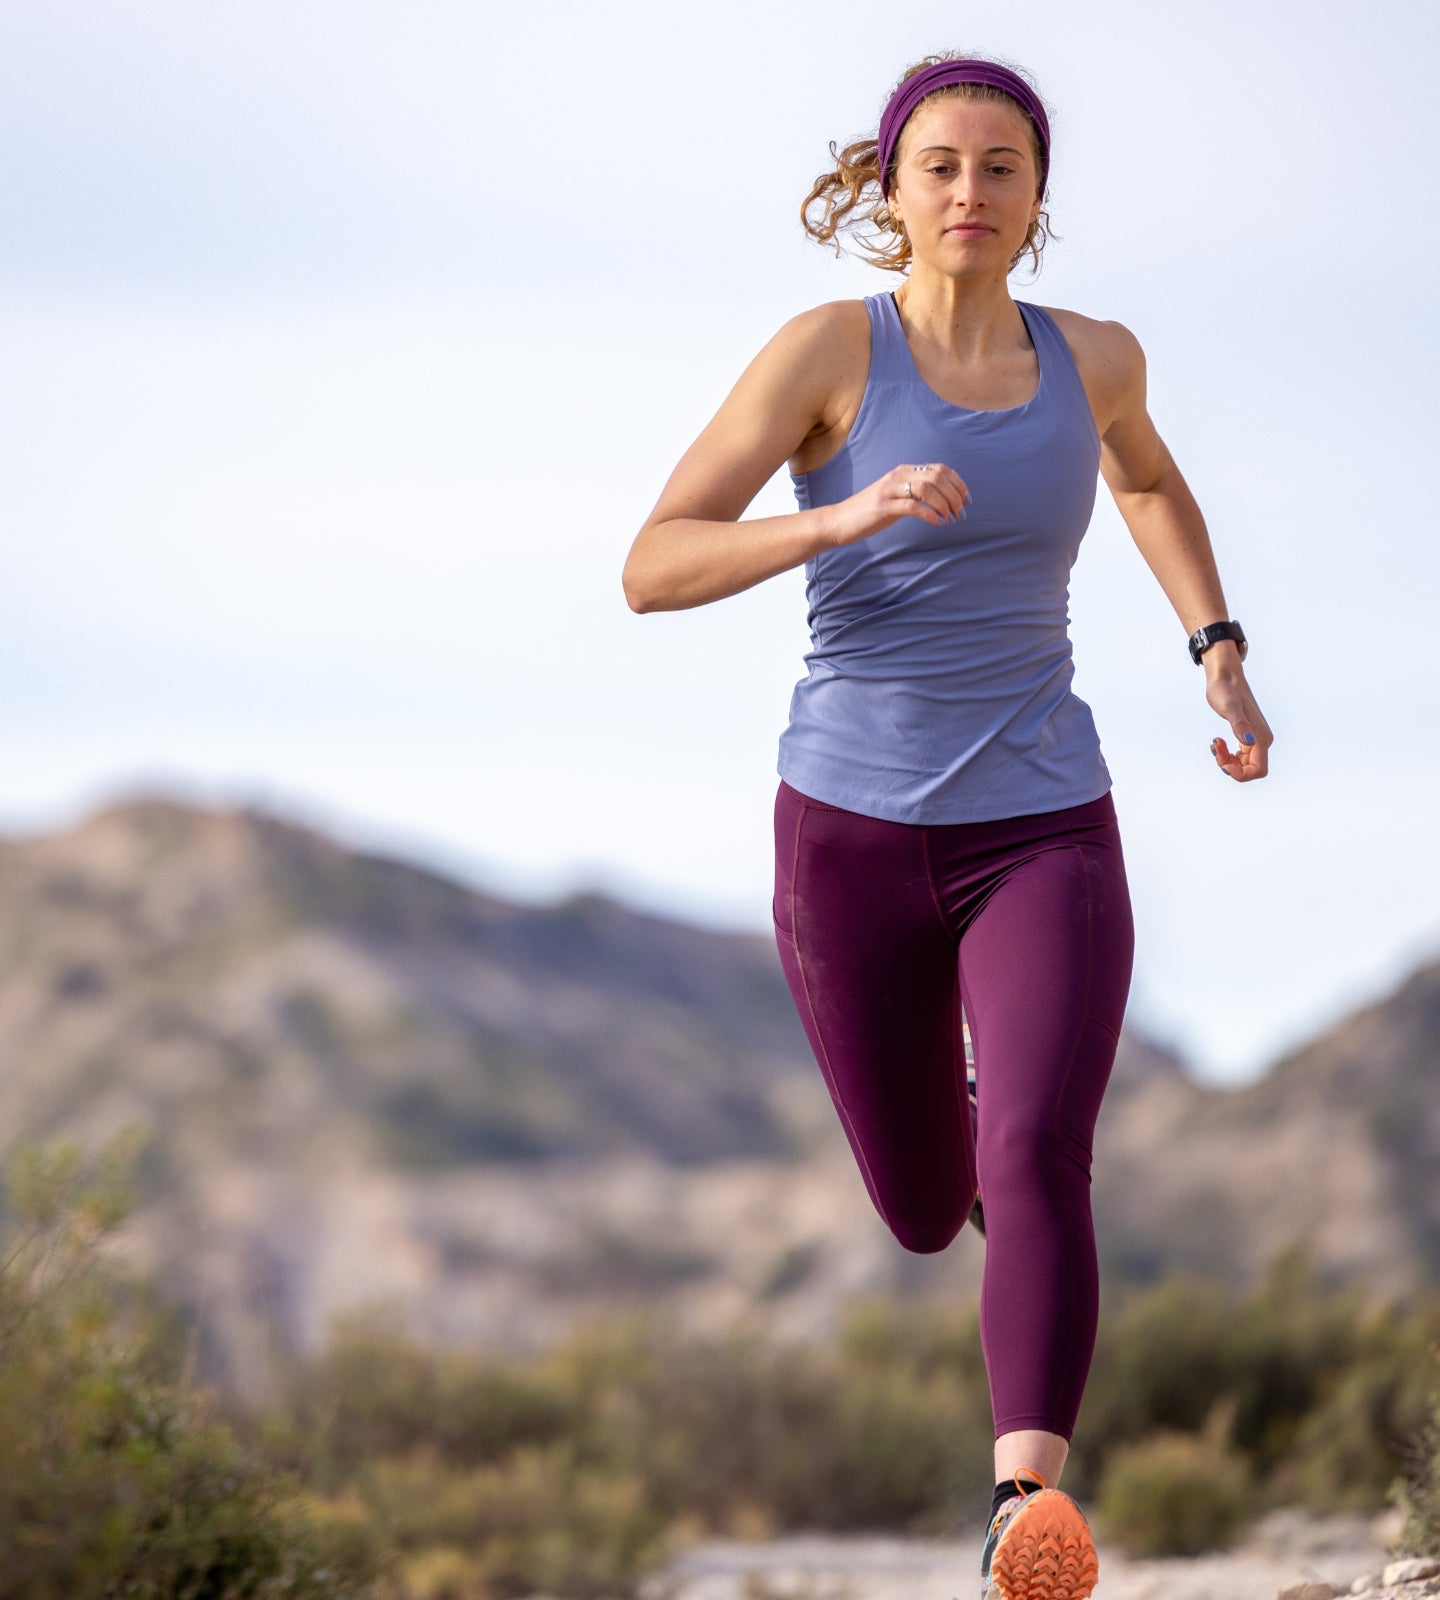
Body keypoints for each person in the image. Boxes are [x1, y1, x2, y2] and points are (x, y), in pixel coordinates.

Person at [622, 51, 1272, 1600]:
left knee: (1039, 1147)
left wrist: (1215, 644)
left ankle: (1023, 1511)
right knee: (927, 1208)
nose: (970, 191)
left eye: (1001, 167)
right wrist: (838, 513)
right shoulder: (825, 354)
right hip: (846, 836)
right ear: (892, 188)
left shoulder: (1095, 359)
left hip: (1043, 819)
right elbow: (654, 563)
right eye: (941, 166)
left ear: (1037, 193)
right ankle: (971, 1129)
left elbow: (1150, 483)